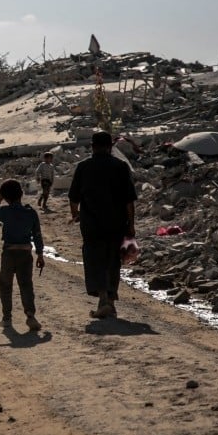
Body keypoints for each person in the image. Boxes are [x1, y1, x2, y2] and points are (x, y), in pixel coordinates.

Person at [68, 131, 137, 319]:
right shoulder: (121, 167)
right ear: (110, 147)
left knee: (94, 260)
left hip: (91, 225)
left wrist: (75, 215)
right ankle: (110, 302)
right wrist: (131, 225)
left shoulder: (83, 167)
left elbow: (73, 198)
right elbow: (129, 201)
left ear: (92, 147)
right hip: (117, 224)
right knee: (113, 261)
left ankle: (103, 299)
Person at [0, 179, 46, 331]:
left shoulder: (5, 211)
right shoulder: (30, 212)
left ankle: (7, 318)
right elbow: (37, 235)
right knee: (26, 285)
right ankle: (30, 315)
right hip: (25, 253)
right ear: (21, 193)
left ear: (5, 197)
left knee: (5, 284)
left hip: (9, 252)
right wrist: (40, 254)